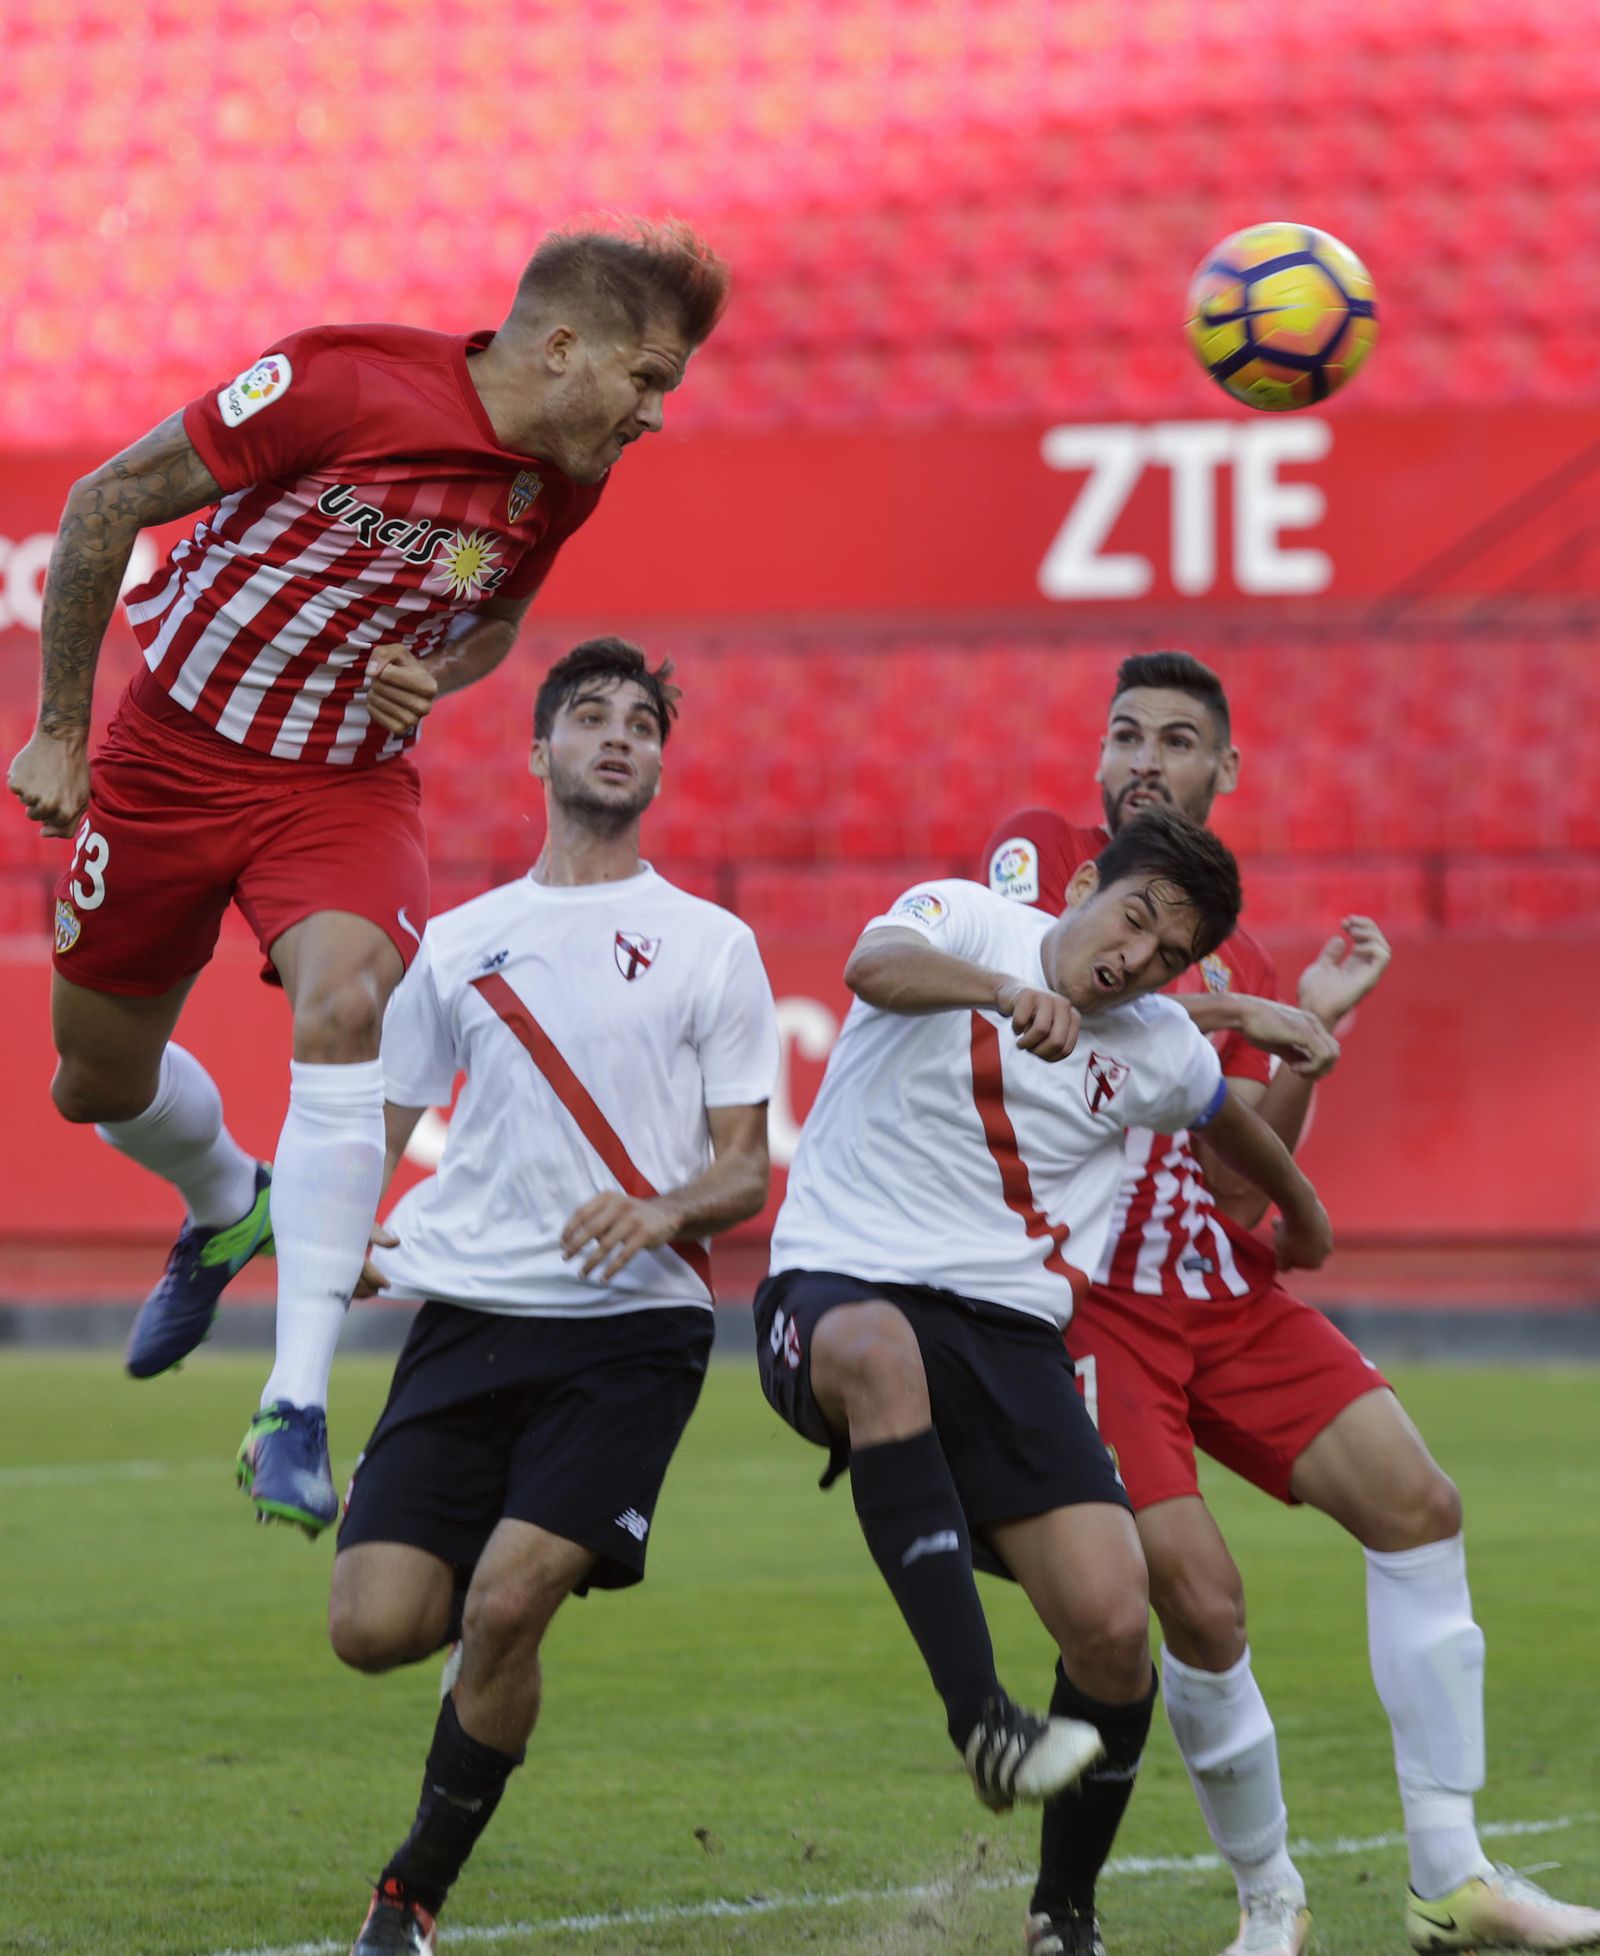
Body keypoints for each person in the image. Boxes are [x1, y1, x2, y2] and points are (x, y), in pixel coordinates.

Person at [5, 217, 730, 1536]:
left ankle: (290, 1409)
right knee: (92, 1083)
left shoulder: (566, 474)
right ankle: (231, 1202)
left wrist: (439, 674)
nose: (654, 415)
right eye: (648, 377)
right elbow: (103, 500)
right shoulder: (339, 382)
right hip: (167, 759)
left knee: (350, 1005)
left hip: (340, 786)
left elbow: (498, 617)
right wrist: (60, 726)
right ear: (563, 348)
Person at [983, 650, 1600, 1956]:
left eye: (1178, 740)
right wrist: (1242, 1005)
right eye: (1127, 735)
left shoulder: (1244, 945)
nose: (1147, 757)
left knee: (1420, 1504)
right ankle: (1272, 1907)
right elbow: (1046, 1000)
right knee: (1199, 1601)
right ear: (1099, 759)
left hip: (1219, 1284)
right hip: (1090, 1304)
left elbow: (1238, 1185)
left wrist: (1309, 1030)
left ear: (1225, 771)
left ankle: (1451, 1877)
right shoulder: (1043, 857)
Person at [757, 805, 1335, 1956]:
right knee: (881, 1353)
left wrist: (1307, 1220)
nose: (1136, 960)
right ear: (1081, 887)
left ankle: (1062, 1915)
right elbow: (870, 965)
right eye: (1131, 919)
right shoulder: (971, 918)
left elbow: (1228, 1129)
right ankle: (981, 1718)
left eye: (1168, 955)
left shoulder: (1159, 1042)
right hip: (836, 1288)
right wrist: (991, 989)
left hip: (1013, 1341)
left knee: (1117, 1626)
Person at [326, 638, 779, 1955]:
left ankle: (405, 1900)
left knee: (505, 1607)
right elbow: (377, 1126)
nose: (619, 735)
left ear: (658, 762)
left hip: (631, 1329)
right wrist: (343, 1237)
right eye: (590, 715)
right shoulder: (460, 944)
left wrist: (668, 1208)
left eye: (642, 720)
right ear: (539, 751)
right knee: (374, 1631)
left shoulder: (713, 944)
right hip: (466, 1319)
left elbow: (743, 1169)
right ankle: (481, 1536)